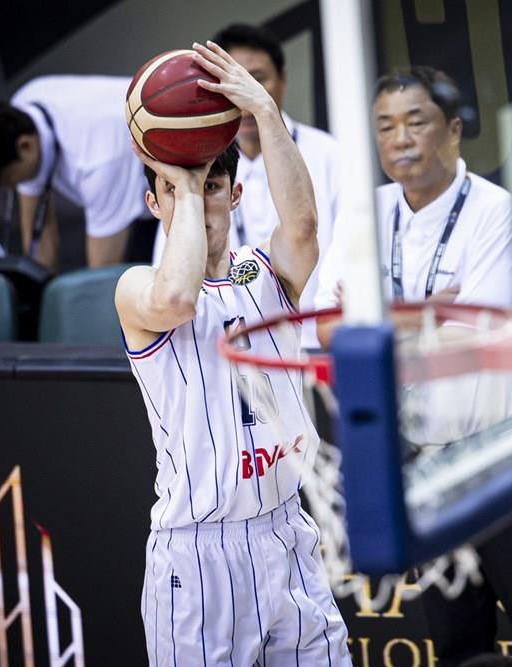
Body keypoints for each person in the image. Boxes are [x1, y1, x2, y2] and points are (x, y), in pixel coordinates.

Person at [314, 66, 512, 667]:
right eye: (385, 126)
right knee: (459, 650)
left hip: (507, 458)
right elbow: (323, 325)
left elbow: (477, 332)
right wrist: (425, 313)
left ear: (454, 130)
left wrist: (374, 314)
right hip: (429, 468)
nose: (400, 139)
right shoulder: (367, 212)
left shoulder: (495, 211)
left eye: (416, 122)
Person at [115, 41, 350, 666]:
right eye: (176, 189)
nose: (203, 198)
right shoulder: (135, 288)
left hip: (285, 530)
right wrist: (188, 187)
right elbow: (177, 298)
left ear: (238, 195)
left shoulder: (264, 273)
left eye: (215, 186)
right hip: (197, 555)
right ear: (154, 203)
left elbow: (302, 228)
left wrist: (266, 114)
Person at [151, 23, 341, 348]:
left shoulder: (330, 153)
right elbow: (170, 276)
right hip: (213, 340)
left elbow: (308, 234)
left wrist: (263, 107)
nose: (243, 92)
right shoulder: (195, 169)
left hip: (311, 338)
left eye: (256, 80)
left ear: (282, 79)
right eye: (231, 81)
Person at [0, 77, 152, 272]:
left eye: (8, 179)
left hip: (170, 183)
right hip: (123, 161)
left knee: (139, 279)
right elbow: (38, 235)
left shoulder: (98, 159)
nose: (11, 187)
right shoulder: (24, 104)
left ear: (25, 146)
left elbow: (101, 274)